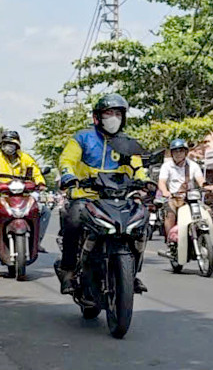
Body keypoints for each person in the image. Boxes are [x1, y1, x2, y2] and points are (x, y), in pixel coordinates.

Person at [55, 94, 150, 295]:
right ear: (97, 117)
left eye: (118, 113)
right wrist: (68, 176)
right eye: (109, 113)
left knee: (142, 221)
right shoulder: (83, 138)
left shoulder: (127, 143)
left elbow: (137, 167)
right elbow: (67, 161)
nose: (113, 118)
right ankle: (69, 271)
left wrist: (144, 181)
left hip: (120, 197)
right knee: (73, 218)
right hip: (87, 196)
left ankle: (132, 273)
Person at [0, 131, 50, 256]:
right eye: (6, 144)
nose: (9, 147)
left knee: (45, 211)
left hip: (24, 197)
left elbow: (36, 172)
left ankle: (37, 241)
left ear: (17, 145)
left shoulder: (26, 158)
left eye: (12, 144)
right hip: (3, 197)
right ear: (2, 145)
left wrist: (40, 183)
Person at [157, 139, 213, 241]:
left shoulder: (193, 165)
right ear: (172, 153)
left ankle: (206, 239)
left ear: (186, 152)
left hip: (190, 198)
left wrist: (208, 187)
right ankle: (171, 240)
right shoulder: (167, 166)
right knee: (170, 214)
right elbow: (161, 182)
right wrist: (165, 192)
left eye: (181, 151)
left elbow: (201, 180)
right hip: (174, 198)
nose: (178, 154)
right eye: (176, 151)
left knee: (207, 212)